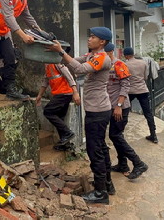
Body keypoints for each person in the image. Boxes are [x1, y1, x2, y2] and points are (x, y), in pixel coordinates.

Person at [47, 27, 114, 204]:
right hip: (97, 109)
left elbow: (79, 69)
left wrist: (60, 51)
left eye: (93, 37)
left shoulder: (102, 58)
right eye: (90, 35)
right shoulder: (92, 55)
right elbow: (72, 62)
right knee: (100, 147)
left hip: (98, 111)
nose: (89, 39)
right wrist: (58, 52)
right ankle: (107, 183)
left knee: (95, 150)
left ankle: (101, 193)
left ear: (102, 42)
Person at [106, 44, 148, 179]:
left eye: (105, 52)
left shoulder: (119, 64)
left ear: (111, 51)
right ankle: (122, 165)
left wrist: (119, 105)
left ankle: (138, 162)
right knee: (117, 135)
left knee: (115, 135)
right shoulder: (102, 65)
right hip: (110, 106)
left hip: (121, 107)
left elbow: (125, 85)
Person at [35, 62, 80, 148]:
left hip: (63, 93)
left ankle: (67, 133)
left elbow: (69, 76)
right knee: (60, 117)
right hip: (63, 94)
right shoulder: (47, 66)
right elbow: (45, 81)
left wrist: (75, 92)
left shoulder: (56, 64)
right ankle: (65, 143)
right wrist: (39, 95)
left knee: (48, 112)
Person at [123, 47, 158, 143]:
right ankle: (153, 135)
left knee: (124, 112)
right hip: (142, 90)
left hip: (130, 91)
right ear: (133, 54)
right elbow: (146, 77)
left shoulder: (125, 64)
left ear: (125, 55)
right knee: (148, 113)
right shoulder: (143, 63)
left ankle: (120, 133)